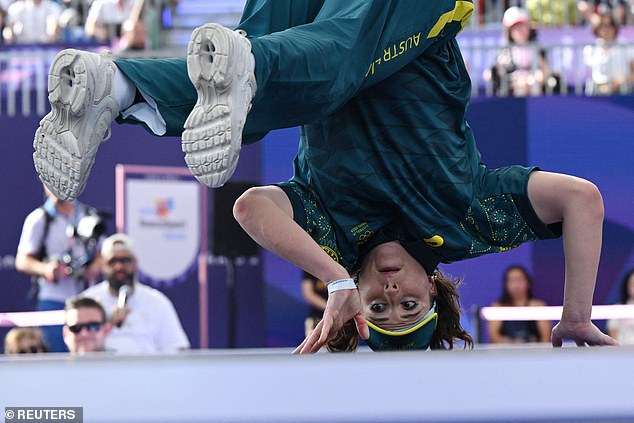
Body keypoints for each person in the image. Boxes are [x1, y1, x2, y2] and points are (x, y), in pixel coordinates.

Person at [32, 0, 617, 352]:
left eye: (378, 309)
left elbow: (250, 208)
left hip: (312, 17)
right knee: (327, 67)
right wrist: (575, 316)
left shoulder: (332, 234)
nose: (390, 296)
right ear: (435, 292)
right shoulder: (470, 222)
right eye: (409, 307)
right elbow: (581, 202)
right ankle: (246, 68)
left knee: (249, 103)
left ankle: (115, 87)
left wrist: (336, 278)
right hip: (413, 20)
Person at [16, 186, 104, 352]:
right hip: (52, 299)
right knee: (55, 356)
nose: (58, 187)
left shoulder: (88, 215)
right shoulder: (39, 218)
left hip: (86, 298)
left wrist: (94, 267)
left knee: (88, 354)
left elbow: (102, 254)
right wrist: (46, 269)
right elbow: (22, 260)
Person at [80, 233, 190, 353]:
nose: (119, 267)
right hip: (100, 369)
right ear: (102, 265)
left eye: (125, 260)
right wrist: (107, 321)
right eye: (113, 261)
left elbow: (177, 348)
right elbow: (78, 345)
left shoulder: (157, 302)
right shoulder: (88, 301)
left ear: (136, 263)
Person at [489, 6, 559, 96]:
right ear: (509, 31)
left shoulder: (537, 48)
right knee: (520, 86)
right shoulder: (504, 51)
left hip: (535, 89)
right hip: (512, 93)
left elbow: (546, 71)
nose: (520, 31)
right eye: (515, 27)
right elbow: (496, 75)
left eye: (522, 26)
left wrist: (534, 78)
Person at [488, 265, 551, 344]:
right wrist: (514, 343)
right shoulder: (497, 308)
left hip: (535, 354)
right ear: (506, 284)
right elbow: (494, 338)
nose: (516, 285)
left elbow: (546, 339)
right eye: (512, 281)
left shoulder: (539, 307)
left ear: (528, 282)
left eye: (519, 280)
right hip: (505, 354)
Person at [583, 11, 634, 96]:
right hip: (597, 92)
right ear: (597, 29)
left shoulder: (625, 46)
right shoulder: (590, 48)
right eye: (602, 26)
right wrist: (603, 87)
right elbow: (588, 76)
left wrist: (622, 81)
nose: (606, 29)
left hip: (623, 91)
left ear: (615, 28)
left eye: (610, 25)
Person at [606, 270, 634, 344]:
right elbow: (612, 333)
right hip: (623, 352)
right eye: (633, 285)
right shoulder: (618, 309)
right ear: (627, 286)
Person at [300, 271, 328, 338]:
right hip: (316, 318)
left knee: (343, 347)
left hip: (341, 318)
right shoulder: (310, 266)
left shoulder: (344, 264)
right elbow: (309, 294)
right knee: (315, 345)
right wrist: (331, 308)